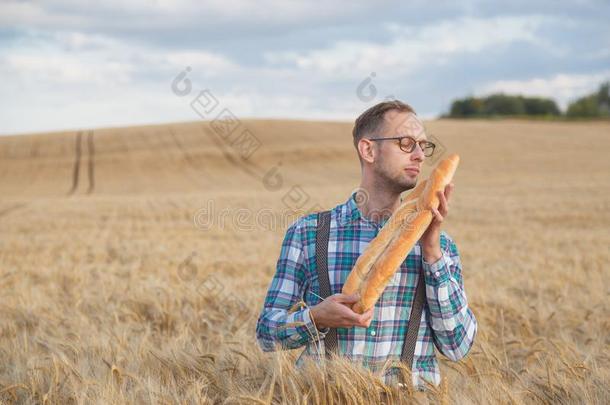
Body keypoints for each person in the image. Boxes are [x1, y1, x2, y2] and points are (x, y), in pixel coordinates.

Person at [255, 100, 477, 391]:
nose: (421, 155)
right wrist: (315, 318)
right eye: (407, 143)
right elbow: (266, 333)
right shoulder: (309, 233)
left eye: (424, 146)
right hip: (326, 397)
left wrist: (431, 250)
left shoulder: (440, 246)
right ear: (368, 150)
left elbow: (457, 346)